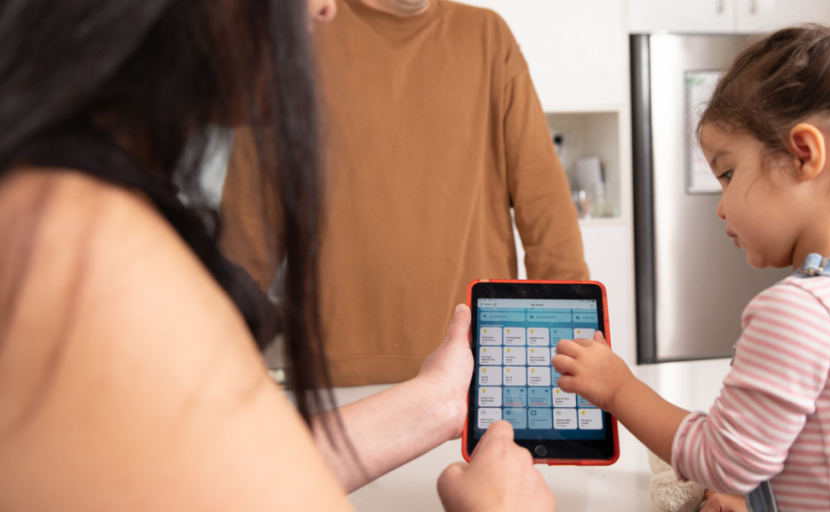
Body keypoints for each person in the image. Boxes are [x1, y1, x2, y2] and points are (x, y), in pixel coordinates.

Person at [0, 0, 553, 510]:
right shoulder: (88, 259)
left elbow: (215, 474)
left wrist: (439, 401)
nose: (322, 6)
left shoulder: (59, 207)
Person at [552, 1, 830, 511]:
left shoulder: (801, 311)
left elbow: (719, 459)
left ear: (804, 155)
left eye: (727, 173)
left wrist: (617, 388)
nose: (721, 206)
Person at [218, 0, 589, 387]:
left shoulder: (487, 36)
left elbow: (546, 210)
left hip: (475, 374)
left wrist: (575, 349)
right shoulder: (301, 35)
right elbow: (248, 225)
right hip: (337, 383)